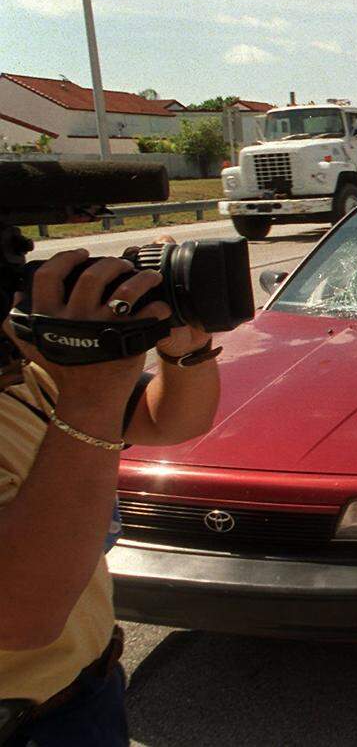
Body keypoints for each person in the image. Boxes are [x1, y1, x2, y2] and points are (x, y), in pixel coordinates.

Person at [0, 243, 221, 747]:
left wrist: (183, 349)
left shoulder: (18, 384)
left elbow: (171, 420)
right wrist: (91, 392)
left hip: (86, 689)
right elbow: (19, 616)